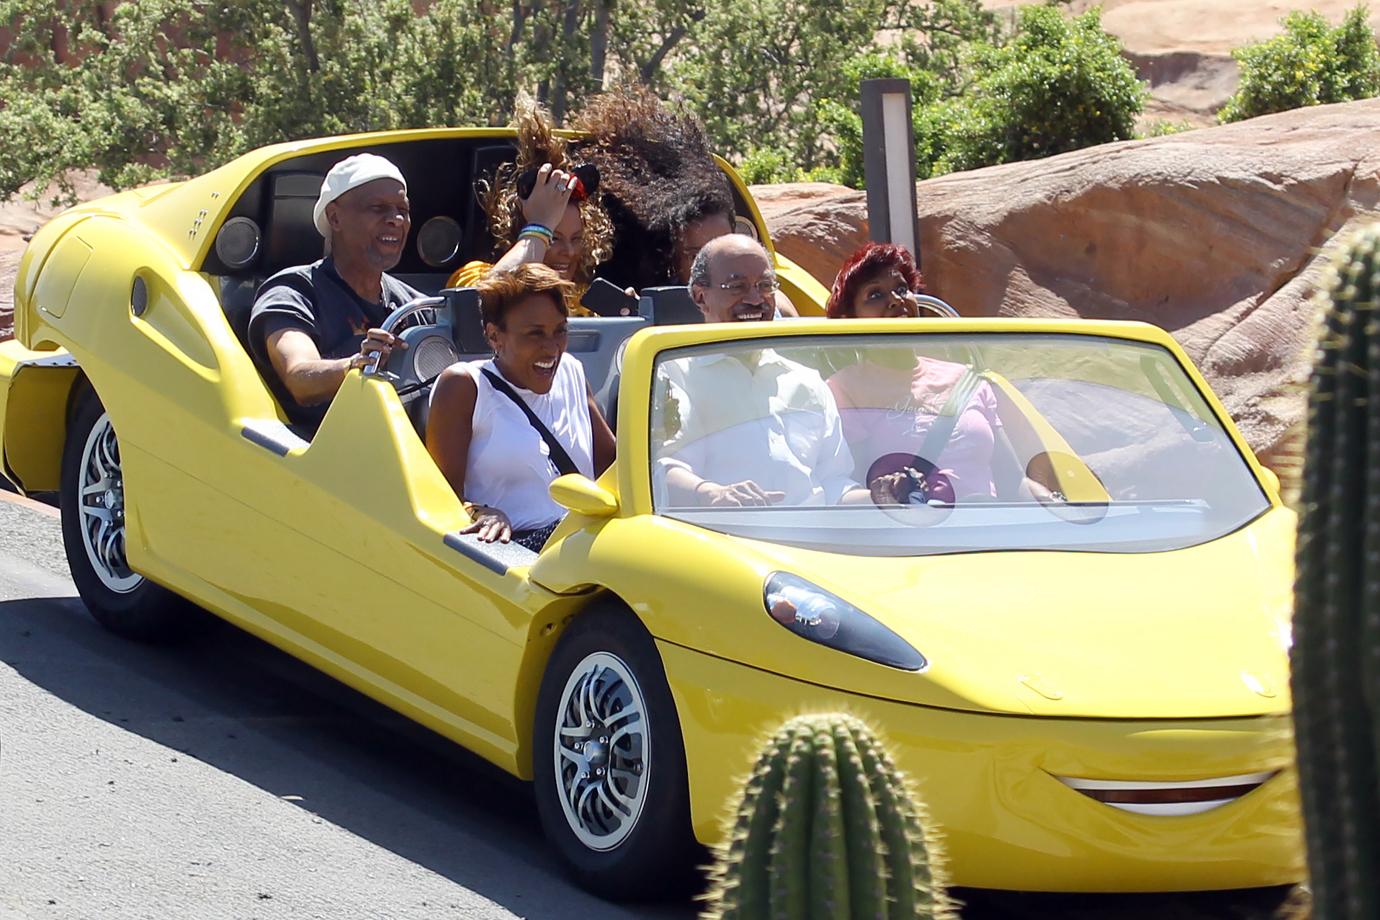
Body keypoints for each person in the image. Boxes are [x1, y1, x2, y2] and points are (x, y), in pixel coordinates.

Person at [654, 235, 865, 506]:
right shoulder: (673, 375)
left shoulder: (806, 381)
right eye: (737, 286)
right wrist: (713, 494)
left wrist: (884, 497)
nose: (756, 299)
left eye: (765, 285)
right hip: (718, 542)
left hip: (813, 542)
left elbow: (834, 483)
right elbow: (660, 472)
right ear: (700, 296)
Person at [426, 264, 616, 549]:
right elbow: (437, 499)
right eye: (535, 334)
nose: (552, 349)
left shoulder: (571, 370)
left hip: (583, 544)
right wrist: (480, 511)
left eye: (559, 331)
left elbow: (613, 467)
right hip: (511, 555)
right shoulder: (464, 386)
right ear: (494, 336)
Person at [824, 242, 1018, 502]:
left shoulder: (966, 379)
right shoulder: (842, 389)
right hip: (912, 533)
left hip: (991, 532)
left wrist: (1063, 509)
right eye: (875, 295)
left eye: (902, 289)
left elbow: (1014, 482)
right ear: (849, 321)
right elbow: (851, 486)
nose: (895, 300)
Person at [248, 153, 419, 430]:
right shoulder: (293, 291)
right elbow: (300, 378)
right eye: (378, 208)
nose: (396, 219)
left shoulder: (414, 305)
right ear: (335, 217)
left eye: (403, 209)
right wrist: (357, 365)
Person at [448, 99, 615, 316]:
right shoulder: (475, 275)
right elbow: (477, 308)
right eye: (553, 238)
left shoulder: (584, 302)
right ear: (520, 232)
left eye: (576, 239)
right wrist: (540, 225)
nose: (570, 252)